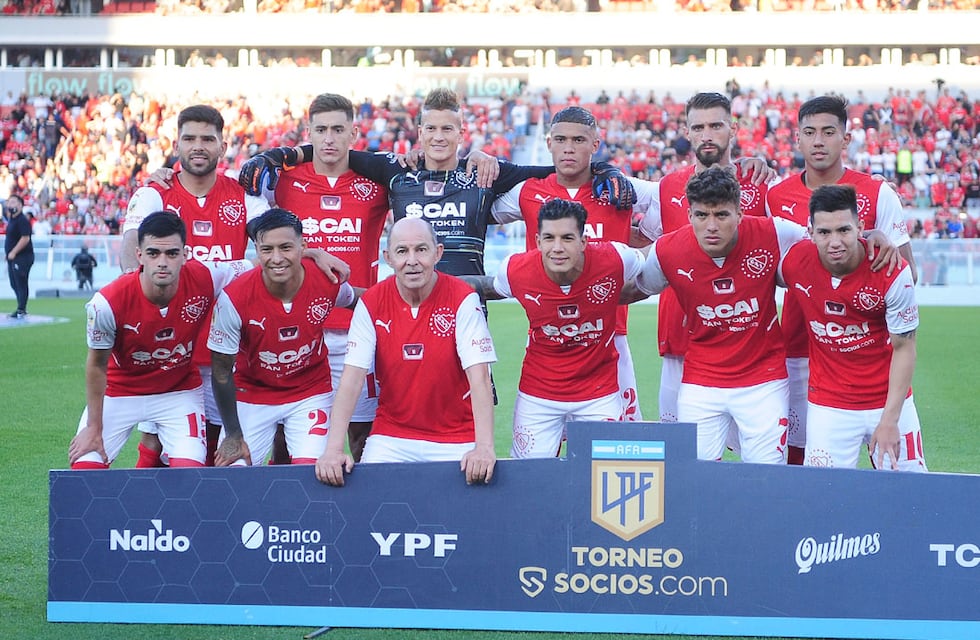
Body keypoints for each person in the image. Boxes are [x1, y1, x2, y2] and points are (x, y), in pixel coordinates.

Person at [239, 88, 636, 282]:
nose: (440, 137)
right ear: (420, 131)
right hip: (407, 296)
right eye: (432, 128)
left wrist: (605, 170)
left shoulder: (486, 173)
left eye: (449, 128)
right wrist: (279, 156)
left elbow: (555, 171)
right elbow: (333, 150)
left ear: (462, 132)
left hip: (467, 302)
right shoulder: (394, 170)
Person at [766, 95, 916, 465]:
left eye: (829, 132)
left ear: (845, 139)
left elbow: (904, 271)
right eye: (810, 133)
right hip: (800, 351)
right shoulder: (774, 195)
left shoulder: (877, 192)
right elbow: (764, 258)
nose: (819, 141)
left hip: (869, 359)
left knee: (901, 478)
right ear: (797, 139)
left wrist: (871, 241)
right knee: (801, 461)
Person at [120, 104, 271, 468]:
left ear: (222, 145)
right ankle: (149, 521)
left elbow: (273, 248)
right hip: (170, 345)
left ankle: (208, 522)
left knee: (220, 445)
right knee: (155, 444)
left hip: (225, 345)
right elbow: (130, 255)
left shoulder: (244, 195)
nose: (198, 146)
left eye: (208, 139)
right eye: (189, 138)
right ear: (177, 144)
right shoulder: (155, 193)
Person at [491, 106, 661, 422]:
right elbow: (477, 210)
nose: (569, 147)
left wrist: (644, 238)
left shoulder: (619, 188)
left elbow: (676, 200)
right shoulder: (527, 192)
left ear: (595, 144)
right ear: (549, 143)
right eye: (561, 139)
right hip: (546, 334)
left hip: (610, 336)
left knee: (617, 448)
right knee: (540, 453)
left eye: (579, 139)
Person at [315, 217, 496, 487]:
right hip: (392, 436)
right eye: (402, 251)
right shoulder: (372, 302)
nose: (412, 260)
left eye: (421, 250)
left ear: (438, 253)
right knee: (370, 504)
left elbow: (479, 376)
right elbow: (352, 379)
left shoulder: (463, 299)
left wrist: (483, 447)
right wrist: (332, 450)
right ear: (388, 257)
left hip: (457, 436)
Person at [67, 212, 252, 470]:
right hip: (121, 391)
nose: (162, 262)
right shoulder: (106, 303)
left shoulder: (206, 277)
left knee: (190, 472)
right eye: (153, 253)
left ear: (185, 255)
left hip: (178, 392)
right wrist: (93, 428)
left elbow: (260, 264)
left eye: (172, 254)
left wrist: (308, 256)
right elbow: (97, 365)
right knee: (85, 466)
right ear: (139, 255)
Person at [262, 93, 390, 463]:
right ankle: (286, 516)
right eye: (321, 130)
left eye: (338, 129)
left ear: (354, 133)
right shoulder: (283, 183)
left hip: (357, 328)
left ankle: (361, 517)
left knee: (362, 433)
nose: (330, 138)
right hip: (299, 328)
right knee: (288, 436)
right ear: (309, 134)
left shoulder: (376, 184)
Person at [466, 199, 645, 458]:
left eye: (567, 238)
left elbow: (655, 267)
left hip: (599, 394)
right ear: (538, 242)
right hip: (538, 395)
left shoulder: (616, 258)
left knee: (605, 481)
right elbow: (487, 287)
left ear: (583, 241)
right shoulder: (516, 270)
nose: (557, 248)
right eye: (549, 238)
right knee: (529, 480)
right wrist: (430, 283)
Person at [632, 92, 771, 424]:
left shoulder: (759, 183)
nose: (707, 135)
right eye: (699, 127)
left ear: (733, 128)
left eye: (716, 125)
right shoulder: (667, 188)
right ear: (688, 131)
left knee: (759, 462)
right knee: (685, 455)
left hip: (748, 349)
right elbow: (652, 244)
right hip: (680, 338)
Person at [779, 185, 926, 472]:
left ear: (861, 227)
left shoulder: (892, 271)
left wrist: (889, 421)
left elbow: (905, 347)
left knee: (912, 497)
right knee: (823, 500)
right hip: (828, 406)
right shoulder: (795, 262)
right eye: (824, 232)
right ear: (810, 232)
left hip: (888, 402)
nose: (835, 241)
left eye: (844, 230)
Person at [208, 209, 358, 467]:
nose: (276, 258)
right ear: (256, 249)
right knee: (232, 472)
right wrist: (233, 434)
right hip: (253, 393)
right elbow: (221, 371)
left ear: (303, 246)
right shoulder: (234, 298)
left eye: (286, 247)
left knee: (314, 472)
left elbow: (358, 300)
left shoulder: (326, 279)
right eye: (267, 250)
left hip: (309, 391)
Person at [4, 194, 34, 319]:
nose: (11, 205)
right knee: (14, 283)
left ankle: (21, 308)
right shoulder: (12, 219)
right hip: (13, 257)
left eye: (14, 202)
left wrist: (14, 252)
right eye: (9, 202)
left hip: (22, 257)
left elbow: (25, 238)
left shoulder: (22, 220)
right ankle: (20, 307)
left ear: (20, 205)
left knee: (21, 282)